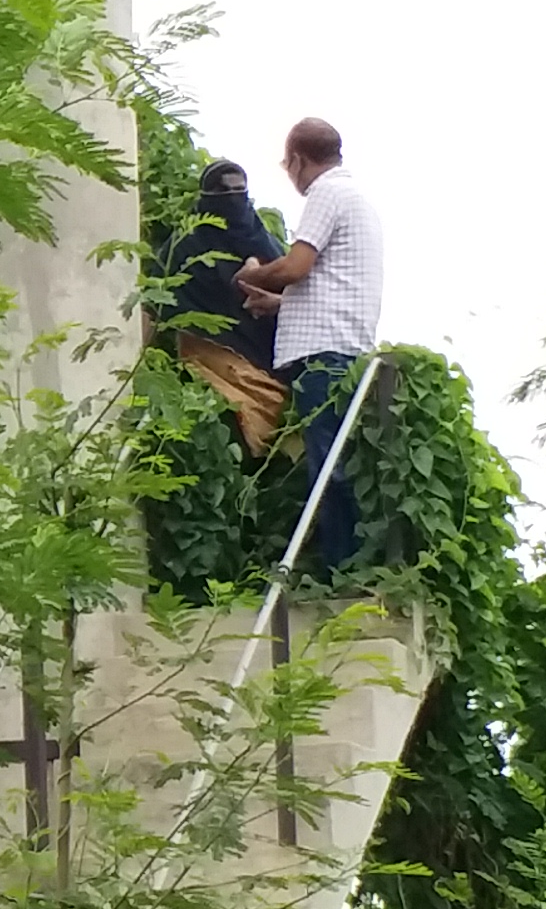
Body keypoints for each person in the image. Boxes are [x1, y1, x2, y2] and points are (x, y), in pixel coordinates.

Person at [237, 117, 383, 573]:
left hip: (324, 354)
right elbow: (326, 284)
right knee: (332, 459)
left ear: (299, 159)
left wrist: (251, 274)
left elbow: (298, 265)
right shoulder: (354, 197)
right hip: (341, 344)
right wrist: (281, 304)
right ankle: (343, 563)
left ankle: (341, 569)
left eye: (288, 164)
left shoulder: (326, 193)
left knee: (328, 466)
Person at [157, 158, 286, 445]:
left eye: (239, 191)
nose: (232, 199)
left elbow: (296, 295)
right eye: (223, 191)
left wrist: (261, 285)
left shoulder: (265, 245)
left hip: (268, 366)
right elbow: (155, 301)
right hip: (209, 367)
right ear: (206, 199)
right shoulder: (185, 246)